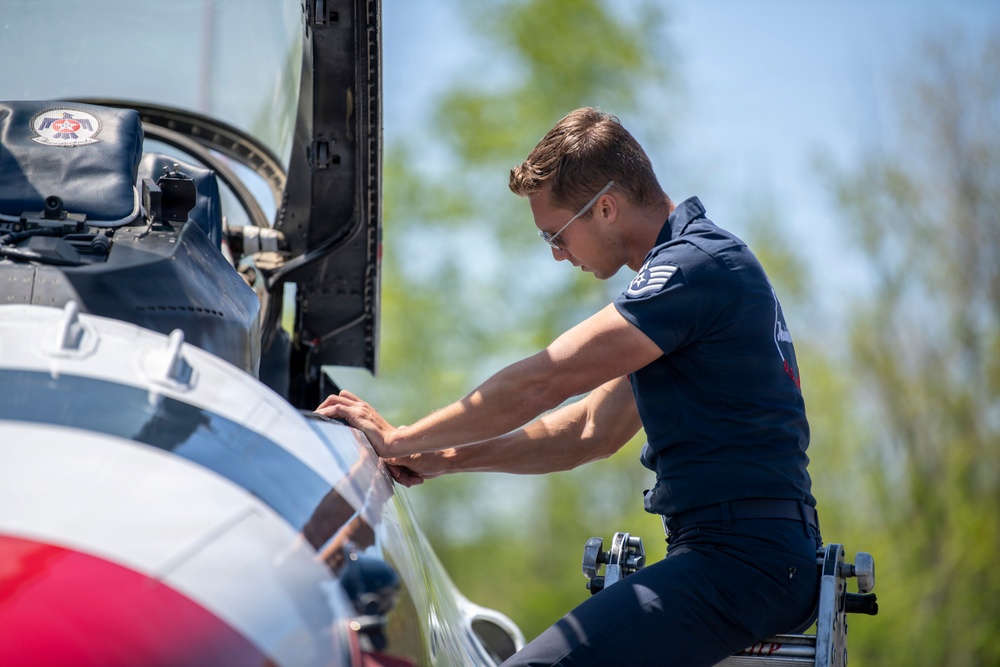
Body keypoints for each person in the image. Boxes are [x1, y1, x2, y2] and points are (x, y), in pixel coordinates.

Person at [316, 107, 821, 667]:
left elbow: (548, 380)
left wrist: (399, 438)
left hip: (744, 560)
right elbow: (589, 430)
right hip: (746, 556)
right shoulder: (693, 278)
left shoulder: (691, 268)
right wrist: (446, 458)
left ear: (606, 207)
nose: (556, 253)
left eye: (555, 234)